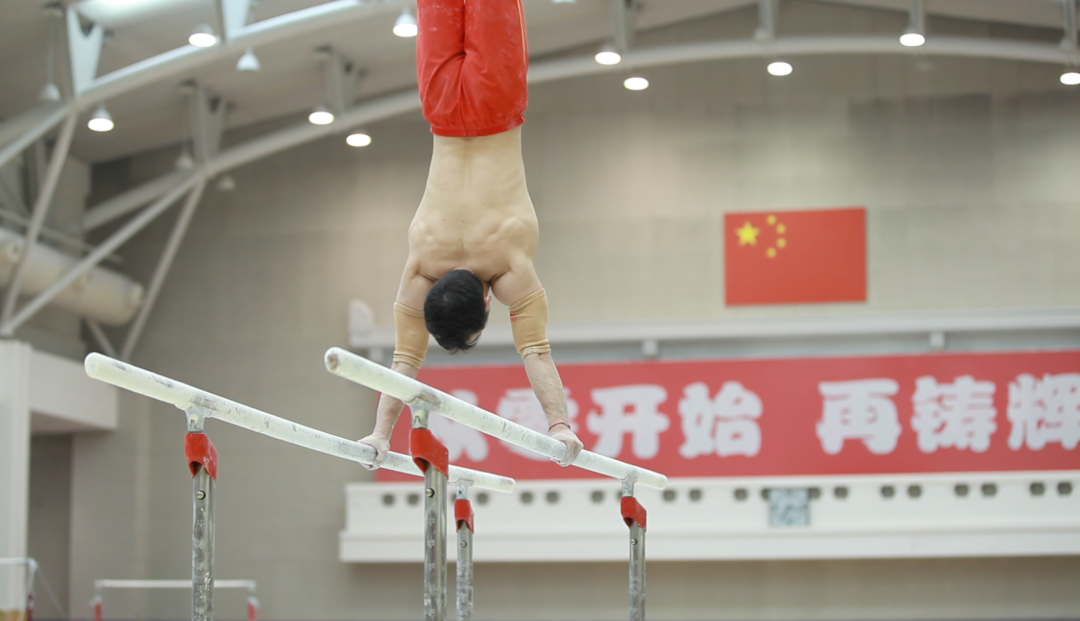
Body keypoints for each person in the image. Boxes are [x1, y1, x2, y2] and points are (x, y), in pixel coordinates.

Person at [357, 0, 584, 467]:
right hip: (440, 108)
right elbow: (403, 362)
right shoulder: (421, 266)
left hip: (497, 100)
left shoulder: (508, 263)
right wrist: (378, 434)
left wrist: (560, 424)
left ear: (486, 303)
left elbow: (536, 351)